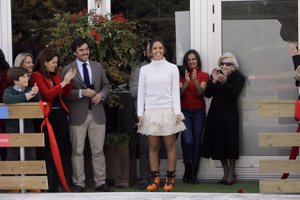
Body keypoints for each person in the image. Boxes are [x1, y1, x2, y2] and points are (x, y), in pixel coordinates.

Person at [61, 37, 111, 192]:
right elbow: (64, 93)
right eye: (81, 50)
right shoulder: (68, 69)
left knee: (98, 150)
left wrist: (101, 95)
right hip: (77, 116)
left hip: (97, 114)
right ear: (75, 52)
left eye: (86, 49)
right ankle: (79, 183)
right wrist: (81, 93)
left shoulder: (97, 66)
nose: (85, 52)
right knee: (77, 151)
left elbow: (106, 85)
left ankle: (100, 182)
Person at [137, 37, 186, 192]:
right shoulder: (144, 70)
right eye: (154, 48)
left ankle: (170, 179)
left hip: (167, 111)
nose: (157, 51)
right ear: (150, 51)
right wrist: (140, 114)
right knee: (153, 147)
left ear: (164, 50)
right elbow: (141, 94)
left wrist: (177, 112)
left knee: (170, 146)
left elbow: (174, 92)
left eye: (160, 48)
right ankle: (155, 179)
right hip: (150, 112)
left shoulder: (172, 68)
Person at [30, 48, 76, 192]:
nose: (56, 65)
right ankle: (47, 184)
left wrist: (68, 82)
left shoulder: (55, 75)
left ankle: (57, 183)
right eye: (53, 62)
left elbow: (64, 94)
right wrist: (63, 83)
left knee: (61, 148)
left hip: (60, 115)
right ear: (45, 62)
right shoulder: (36, 76)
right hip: (47, 117)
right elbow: (48, 94)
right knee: (48, 151)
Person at [200, 52, 245, 185]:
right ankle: (225, 171)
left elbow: (232, 95)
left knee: (230, 142)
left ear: (234, 66)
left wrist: (224, 83)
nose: (225, 66)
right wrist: (213, 81)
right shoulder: (216, 74)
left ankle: (232, 172)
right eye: (223, 63)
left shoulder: (238, 77)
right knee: (218, 142)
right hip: (216, 112)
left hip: (230, 114)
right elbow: (208, 94)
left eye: (228, 64)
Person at [2, 67, 41, 193]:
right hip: (12, 130)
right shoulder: (9, 91)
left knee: (31, 155)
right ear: (15, 80)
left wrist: (35, 92)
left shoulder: (29, 89)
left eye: (27, 76)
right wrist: (27, 96)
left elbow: (37, 99)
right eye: (23, 76)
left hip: (28, 129)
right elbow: (7, 99)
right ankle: (13, 185)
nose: (27, 78)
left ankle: (32, 184)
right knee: (12, 156)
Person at [179, 49, 209, 184]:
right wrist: (186, 82)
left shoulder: (204, 75)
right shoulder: (181, 74)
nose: (191, 61)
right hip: (185, 111)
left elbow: (200, 92)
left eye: (194, 59)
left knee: (197, 142)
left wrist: (195, 79)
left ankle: (193, 173)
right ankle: (187, 167)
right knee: (187, 141)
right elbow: (180, 93)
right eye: (189, 60)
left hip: (198, 112)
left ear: (197, 60)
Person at [129, 41, 152, 189]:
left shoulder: (167, 68)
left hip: (162, 113)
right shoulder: (138, 69)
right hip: (144, 113)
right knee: (144, 147)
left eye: (157, 49)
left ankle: (156, 177)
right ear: (145, 52)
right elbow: (133, 91)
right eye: (151, 49)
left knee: (159, 147)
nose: (154, 52)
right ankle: (144, 178)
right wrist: (152, 89)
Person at [0, 49, 10, 161]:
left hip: (3, 109)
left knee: (3, 137)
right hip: (3, 109)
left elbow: (4, 92)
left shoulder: (6, 73)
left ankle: (5, 167)